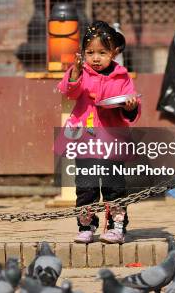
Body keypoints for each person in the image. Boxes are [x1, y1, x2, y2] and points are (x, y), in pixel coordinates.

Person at [57, 21, 140, 244]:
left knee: (114, 185)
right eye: (90, 52)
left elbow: (129, 107)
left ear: (114, 52)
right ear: (83, 53)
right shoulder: (80, 71)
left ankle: (117, 227)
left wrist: (130, 105)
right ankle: (86, 226)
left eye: (102, 53)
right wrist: (74, 71)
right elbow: (68, 91)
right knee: (86, 185)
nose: (96, 58)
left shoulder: (122, 76)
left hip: (113, 139)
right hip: (86, 139)